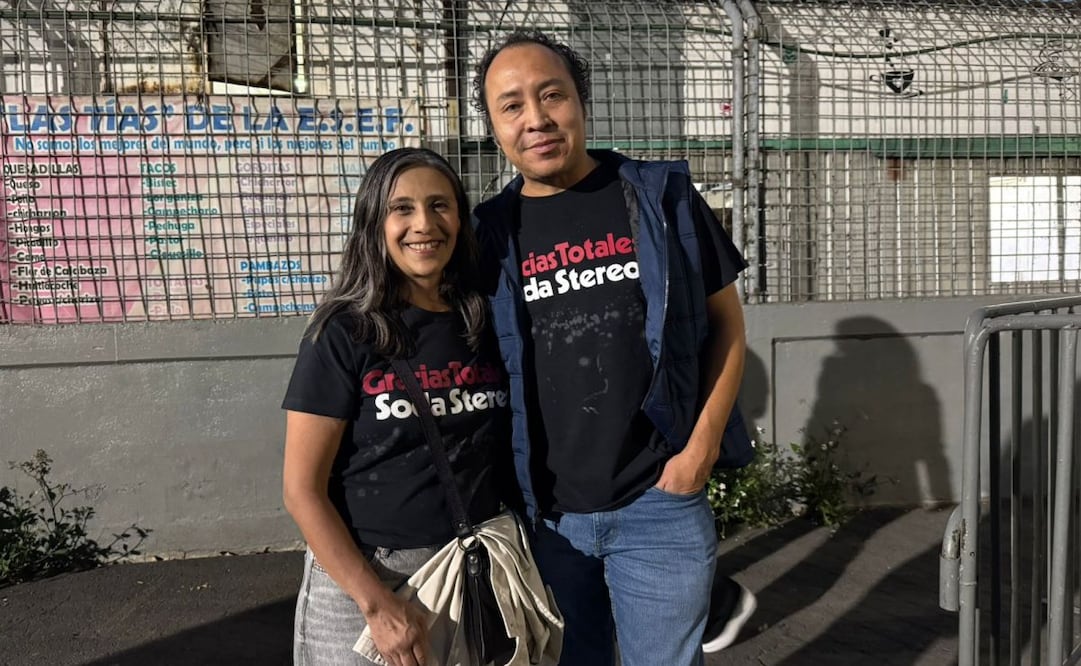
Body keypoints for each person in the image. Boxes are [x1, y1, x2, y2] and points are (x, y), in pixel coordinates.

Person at [471, 30, 756, 665]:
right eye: (511, 105)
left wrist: (696, 455)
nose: (537, 119)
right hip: (548, 518)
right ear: (494, 126)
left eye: (552, 95)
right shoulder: (488, 232)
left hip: (659, 505)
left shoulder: (661, 199)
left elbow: (728, 328)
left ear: (581, 102)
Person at [281, 147, 510, 666]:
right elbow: (301, 490)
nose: (423, 224)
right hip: (366, 578)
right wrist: (375, 602)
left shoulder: (483, 323)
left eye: (440, 205)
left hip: (467, 570)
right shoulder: (343, 333)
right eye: (401, 208)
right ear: (374, 223)